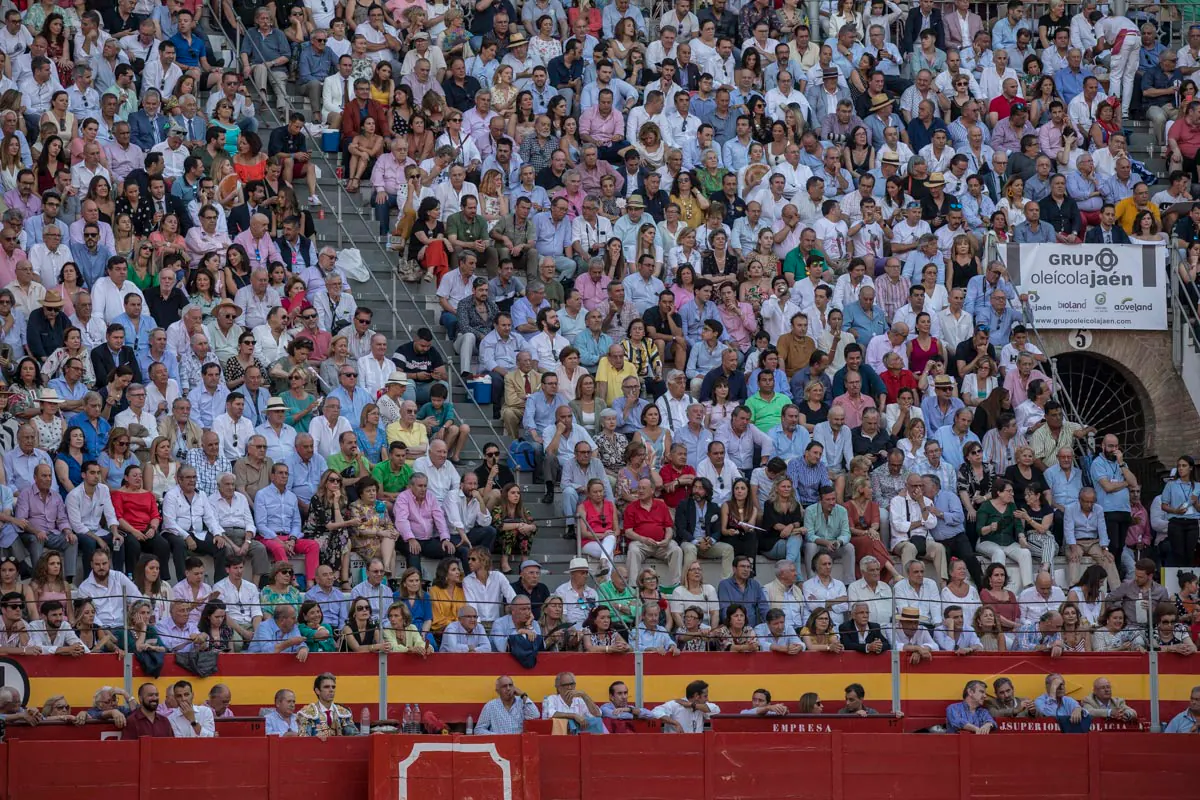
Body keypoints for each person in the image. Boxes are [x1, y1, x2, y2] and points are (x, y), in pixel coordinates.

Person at [474, 675, 540, 734]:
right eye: (504, 686)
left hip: (520, 744)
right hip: (499, 744)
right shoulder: (490, 706)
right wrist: (498, 737)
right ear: (497, 691)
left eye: (510, 685)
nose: (508, 688)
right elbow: (479, 730)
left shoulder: (522, 702)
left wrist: (523, 695)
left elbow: (535, 716)